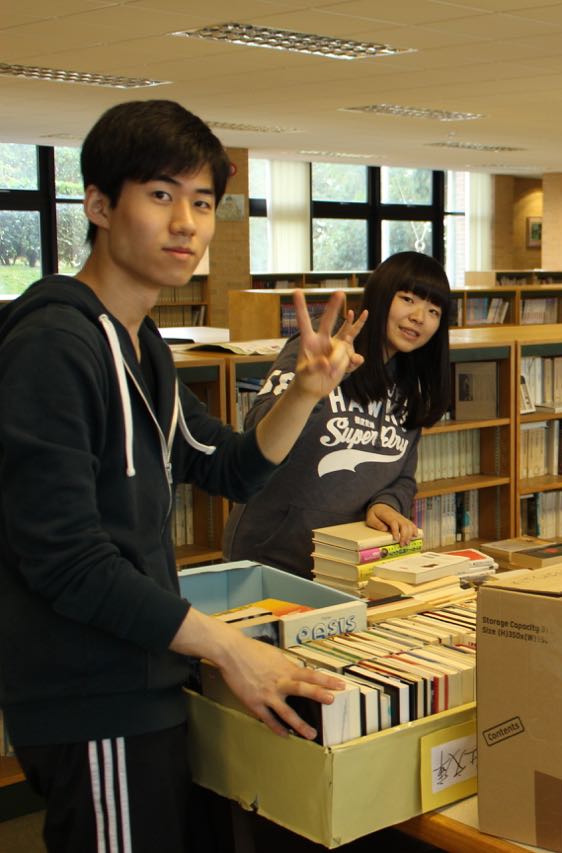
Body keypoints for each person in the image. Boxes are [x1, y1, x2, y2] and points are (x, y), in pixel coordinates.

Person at [0, 99, 354, 852]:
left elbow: (232, 467)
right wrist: (228, 648)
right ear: (99, 204)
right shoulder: (54, 347)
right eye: (161, 195)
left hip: (147, 678)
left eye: (202, 202)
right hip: (92, 699)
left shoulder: (143, 344)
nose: (186, 223)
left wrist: (304, 393)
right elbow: (66, 560)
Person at [224, 251, 452, 576]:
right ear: (381, 295)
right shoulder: (322, 350)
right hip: (271, 556)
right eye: (407, 299)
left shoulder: (410, 385)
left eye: (433, 311)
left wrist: (387, 504)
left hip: (348, 565)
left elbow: (402, 476)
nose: (419, 317)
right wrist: (309, 390)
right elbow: (257, 432)